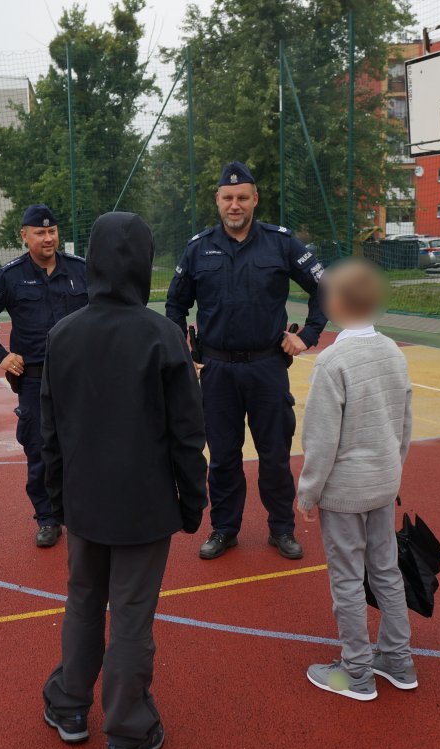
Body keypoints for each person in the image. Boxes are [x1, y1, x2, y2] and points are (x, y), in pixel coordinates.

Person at [40, 212, 207, 749]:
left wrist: (56, 502)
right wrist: (193, 500)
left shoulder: (64, 333)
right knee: (131, 616)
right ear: (141, 263)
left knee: (84, 601)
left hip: (86, 501)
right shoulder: (161, 335)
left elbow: (51, 431)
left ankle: (69, 707)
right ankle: (127, 731)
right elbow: (189, 431)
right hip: (144, 504)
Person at [165, 161, 327, 561]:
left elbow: (324, 287)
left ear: (255, 199)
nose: (234, 204)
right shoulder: (198, 247)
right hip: (217, 370)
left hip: (267, 367)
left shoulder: (281, 244)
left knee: (274, 454)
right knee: (222, 457)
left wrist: (306, 336)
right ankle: (224, 529)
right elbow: (175, 303)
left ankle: (281, 529)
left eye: (242, 197)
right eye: (227, 198)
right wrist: (182, 349)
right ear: (217, 201)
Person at [295, 258, 415, 702]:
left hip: (345, 491)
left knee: (347, 577)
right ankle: (398, 659)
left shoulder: (332, 361)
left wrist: (308, 492)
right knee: (385, 570)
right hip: (383, 483)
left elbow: (321, 438)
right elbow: (404, 424)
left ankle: (357, 671)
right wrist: (392, 469)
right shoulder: (393, 352)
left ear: (337, 304)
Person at [0, 204, 88, 548]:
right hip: (35, 380)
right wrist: (0, 356)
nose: (48, 239)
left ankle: (84, 512)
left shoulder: (82, 271)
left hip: (80, 379)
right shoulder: (10, 276)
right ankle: (48, 518)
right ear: (24, 236)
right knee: (40, 449)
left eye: (52, 232)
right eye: (40, 233)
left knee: (86, 446)